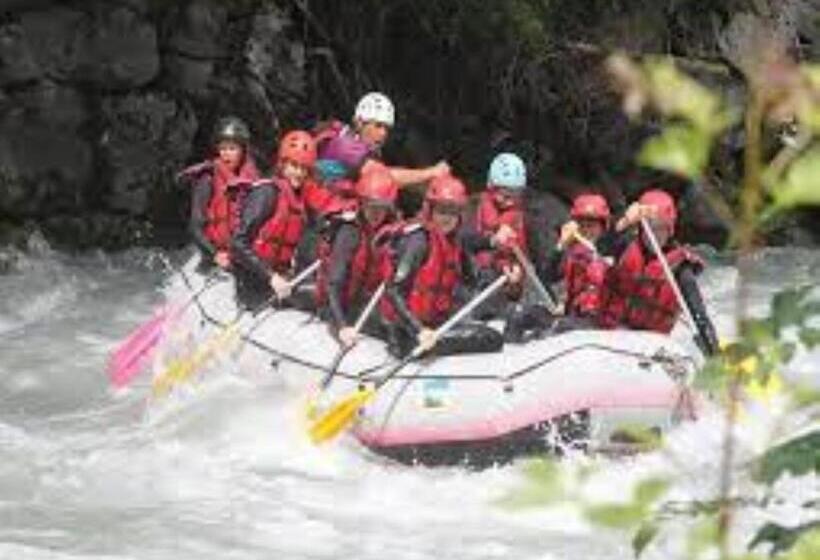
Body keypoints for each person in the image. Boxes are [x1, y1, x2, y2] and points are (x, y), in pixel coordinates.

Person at [381, 174, 518, 357]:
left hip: (434, 325)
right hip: (409, 333)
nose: (447, 218)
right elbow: (393, 291)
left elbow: (475, 247)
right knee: (491, 339)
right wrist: (419, 330)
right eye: (442, 210)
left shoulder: (453, 239)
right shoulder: (418, 242)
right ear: (430, 210)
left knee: (490, 333)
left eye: (453, 211)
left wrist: (503, 271)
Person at [599, 189, 718, 355]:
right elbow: (600, 247)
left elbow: (699, 317)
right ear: (641, 227)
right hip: (612, 334)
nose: (654, 235)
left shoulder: (680, 268)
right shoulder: (625, 247)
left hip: (650, 343)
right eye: (650, 227)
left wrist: (714, 356)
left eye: (661, 228)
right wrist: (626, 221)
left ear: (670, 230)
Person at [306, 92, 450, 218]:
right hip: (323, 221)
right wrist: (432, 172)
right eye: (378, 125)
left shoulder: (356, 144)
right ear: (359, 122)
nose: (383, 133)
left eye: (386, 128)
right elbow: (384, 177)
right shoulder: (345, 146)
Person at [315, 166, 399, 349]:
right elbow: (334, 283)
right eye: (371, 206)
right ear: (361, 203)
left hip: (364, 304)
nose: (376, 213)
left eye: (382, 208)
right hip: (338, 307)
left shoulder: (389, 235)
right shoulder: (349, 232)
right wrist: (342, 326)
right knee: (390, 328)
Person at [231, 130, 316, 310]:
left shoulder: (299, 204)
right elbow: (238, 243)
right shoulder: (267, 193)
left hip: (275, 281)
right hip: (250, 279)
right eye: (294, 165)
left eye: (304, 168)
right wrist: (271, 276)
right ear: (283, 163)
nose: (299, 173)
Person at [180, 116, 260, 270]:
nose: (226, 154)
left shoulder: (253, 179)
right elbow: (195, 226)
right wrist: (215, 254)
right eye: (222, 148)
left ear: (243, 150)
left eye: (232, 148)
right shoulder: (207, 179)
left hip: (242, 255)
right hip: (212, 256)